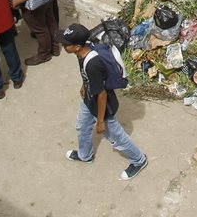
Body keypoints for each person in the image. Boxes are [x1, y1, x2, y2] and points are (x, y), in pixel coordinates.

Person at [61, 23, 149, 179]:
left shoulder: (93, 64)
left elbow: (102, 95)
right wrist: (84, 85)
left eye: (66, 44)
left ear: (77, 47)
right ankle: (85, 155)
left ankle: (139, 160)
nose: (63, 46)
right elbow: (88, 76)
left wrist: (100, 121)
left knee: (116, 137)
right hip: (89, 99)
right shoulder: (82, 52)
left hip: (103, 107)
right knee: (82, 126)